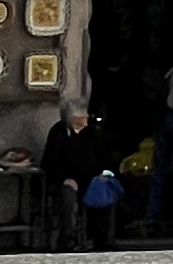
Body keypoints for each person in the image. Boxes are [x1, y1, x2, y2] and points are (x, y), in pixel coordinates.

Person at [40, 104, 125, 251]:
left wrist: (103, 174)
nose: (86, 117)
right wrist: (64, 179)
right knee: (68, 196)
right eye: (82, 115)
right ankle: (68, 239)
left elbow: (103, 158)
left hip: (90, 179)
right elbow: (49, 163)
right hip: (65, 181)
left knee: (107, 190)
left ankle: (104, 238)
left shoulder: (92, 133)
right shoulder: (58, 133)